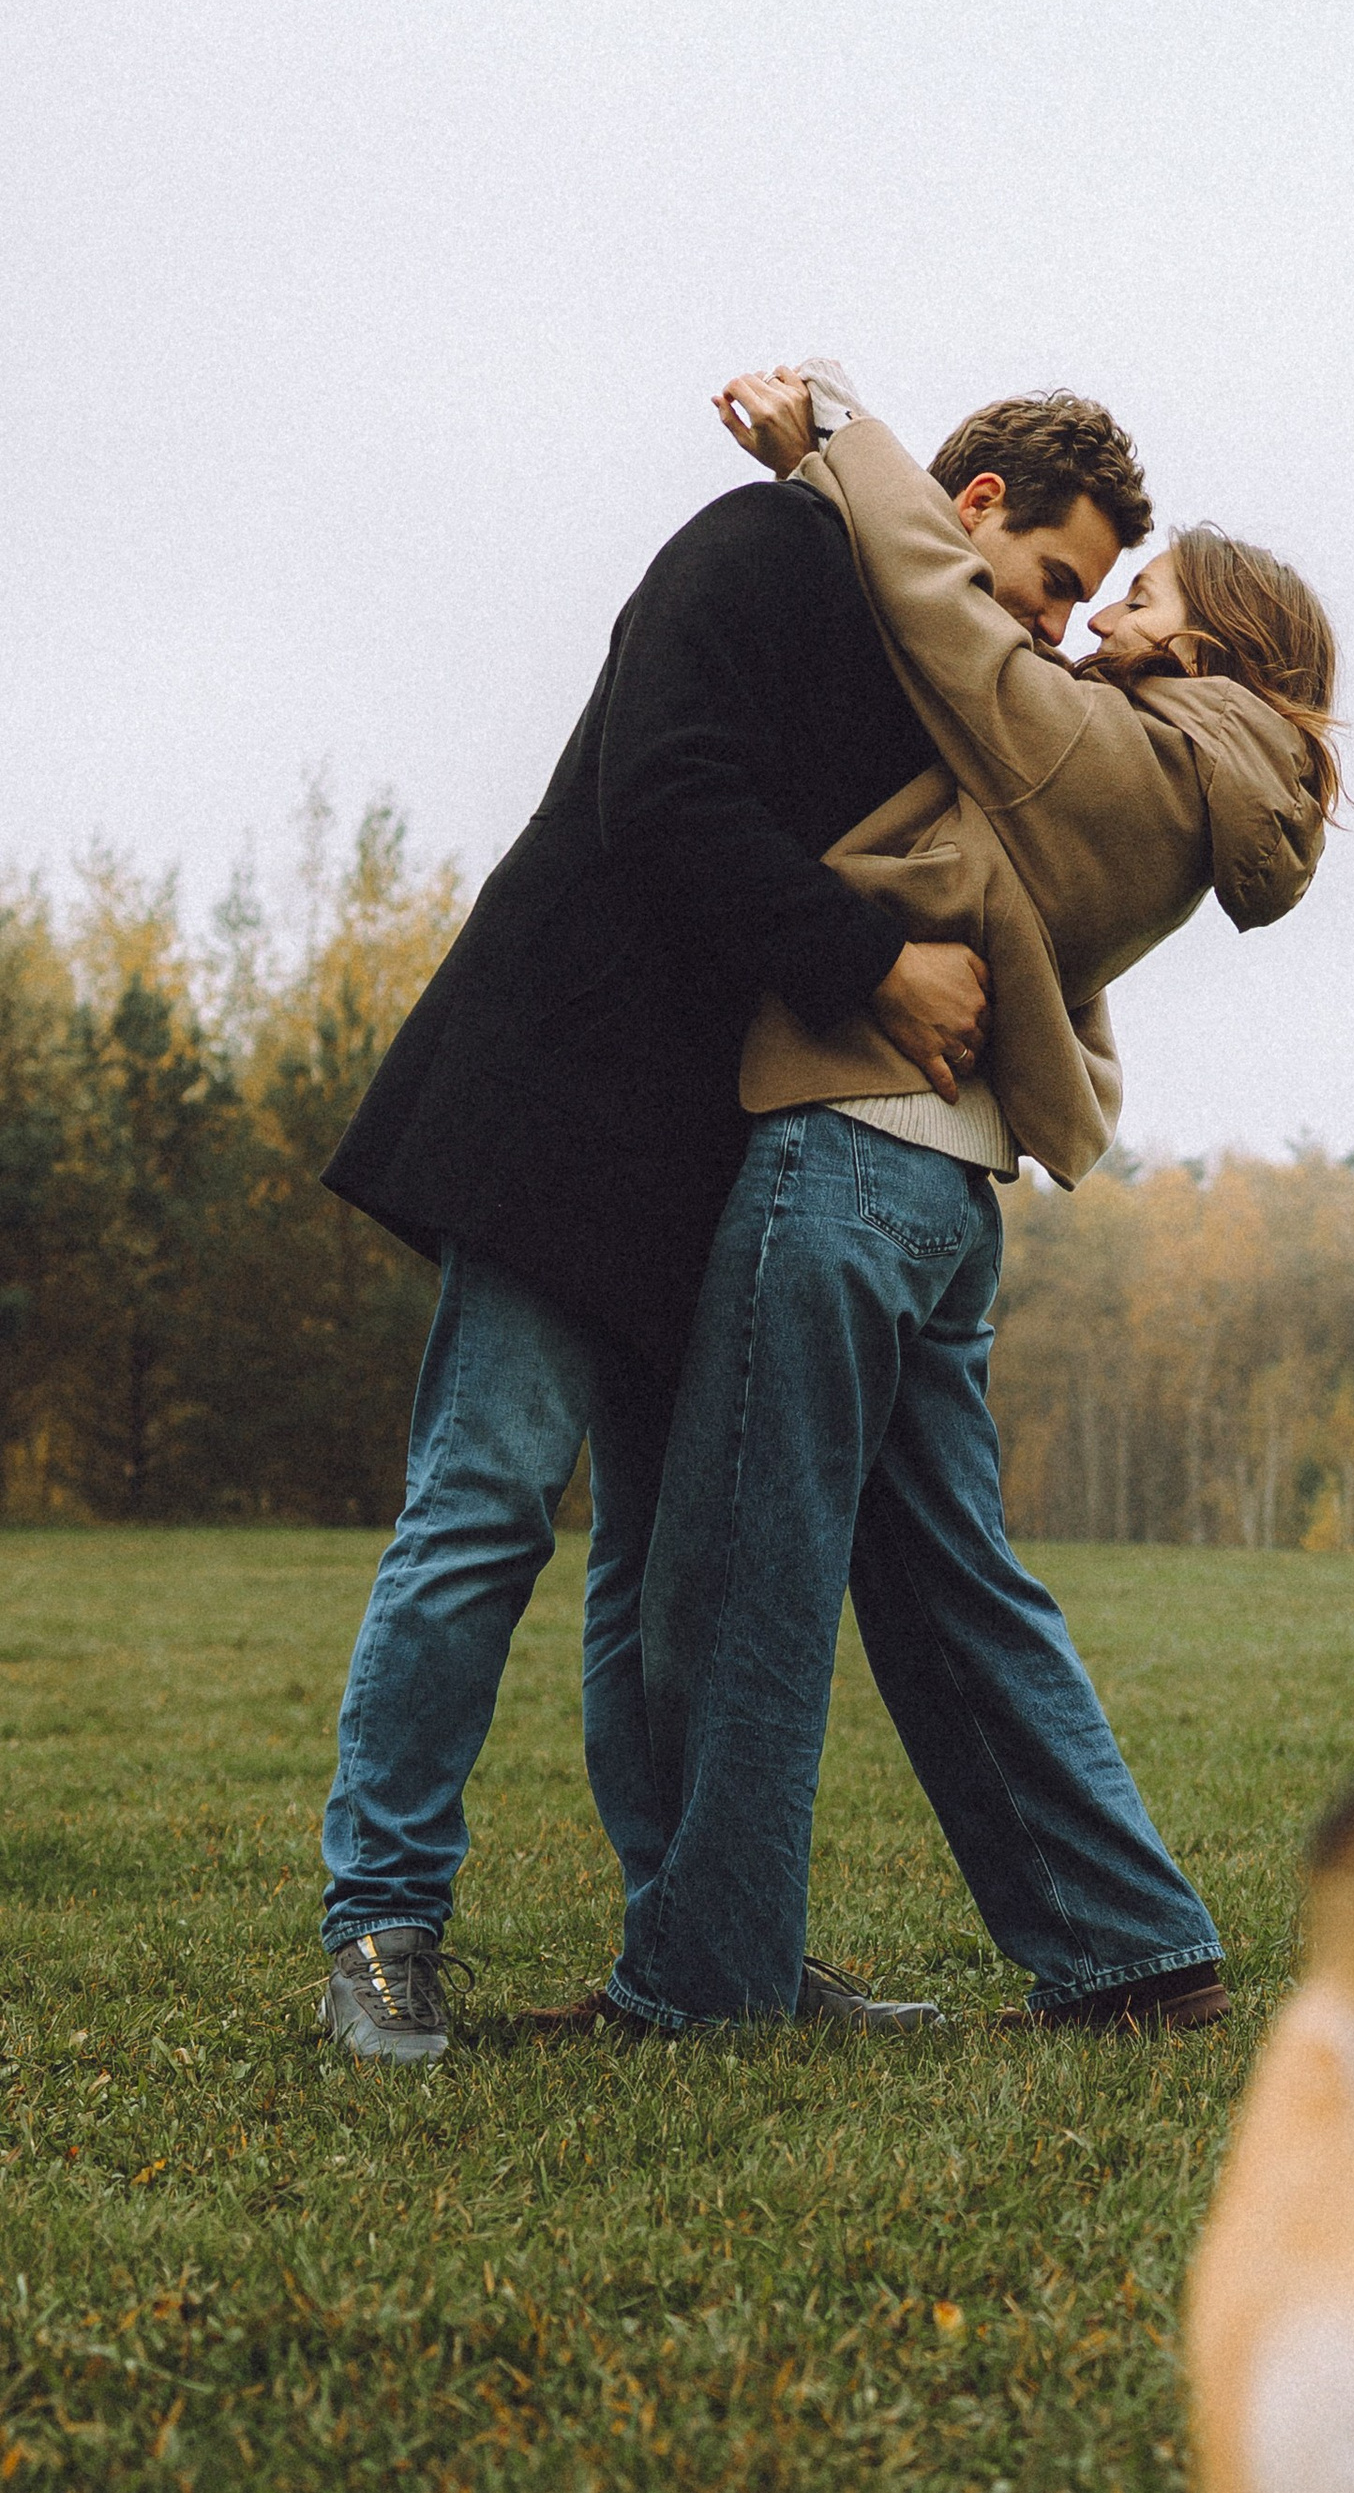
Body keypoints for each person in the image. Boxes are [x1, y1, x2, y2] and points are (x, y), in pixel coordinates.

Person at [312, 387, 1153, 2060]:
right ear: (975, 503)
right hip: (564, 1103)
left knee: (650, 1570)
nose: (1060, 627)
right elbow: (667, 790)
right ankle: (382, 1929)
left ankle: (703, 1952)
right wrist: (874, 963)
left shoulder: (945, 674)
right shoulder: (764, 548)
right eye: (1056, 581)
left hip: (715, 1146)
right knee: (484, 1505)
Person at [589, 363, 1340, 2042]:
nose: (1091, 622)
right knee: (951, 1592)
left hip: (848, 1161)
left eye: (1133, 597)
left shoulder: (1125, 758)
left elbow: (946, 617)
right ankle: (1133, 1950)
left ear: (1212, 645)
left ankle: (705, 1985)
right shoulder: (1197, 777)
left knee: (739, 1573)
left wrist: (837, 433)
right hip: (935, 1192)